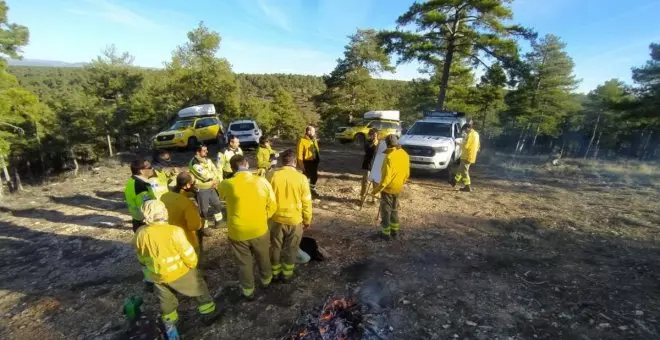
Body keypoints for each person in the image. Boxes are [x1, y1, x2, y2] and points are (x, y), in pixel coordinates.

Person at [134, 200, 221, 338]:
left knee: (166, 301)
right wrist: (193, 265)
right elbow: (187, 253)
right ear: (164, 212)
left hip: (157, 275)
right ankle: (209, 313)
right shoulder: (174, 231)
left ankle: (171, 324)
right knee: (199, 289)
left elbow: (141, 255)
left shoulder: (140, 233)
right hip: (179, 271)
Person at [217, 154, 276, 300]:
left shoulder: (226, 184)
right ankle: (266, 281)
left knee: (244, 263)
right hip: (259, 229)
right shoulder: (262, 181)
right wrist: (264, 217)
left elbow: (221, 198)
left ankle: (248, 291)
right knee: (263, 257)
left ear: (232, 168)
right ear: (247, 164)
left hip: (238, 232)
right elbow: (273, 205)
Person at [267, 149, 312, 282]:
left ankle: (275, 273)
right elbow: (307, 201)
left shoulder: (271, 176)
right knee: (292, 248)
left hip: (275, 218)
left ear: (282, 161)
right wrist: (307, 219)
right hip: (295, 219)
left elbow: (266, 198)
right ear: (295, 162)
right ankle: (287, 275)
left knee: (275, 246)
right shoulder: (302, 178)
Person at [372, 134, 410, 240]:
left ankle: (385, 234)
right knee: (394, 209)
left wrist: (377, 190)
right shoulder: (405, 154)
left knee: (386, 211)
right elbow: (406, 174)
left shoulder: (389, 157)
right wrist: (401, 183)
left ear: (387, 144)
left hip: (388, 189)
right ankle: (395, 232)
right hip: (398, 187)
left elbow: (386, 178)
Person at [160, 171, 203, 255]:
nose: (195, 184)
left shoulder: (164, 196)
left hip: (169, 237)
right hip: (187, 240)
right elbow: (194, 226)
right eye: (193, 183)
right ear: (187, 185)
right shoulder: (187, 203)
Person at [188, 144, 223, 230]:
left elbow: (216, 170)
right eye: (204, 150)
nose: (207, 152)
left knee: (217, 204)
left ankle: (218, 222)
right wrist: (213, 176)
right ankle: (205, 227)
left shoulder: (208, 160)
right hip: (202, 190)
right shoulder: (194, 163)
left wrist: (215, 179)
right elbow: (205, 176)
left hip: (212, 187)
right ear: (197, 152)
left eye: (206, 150)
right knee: (204, 210)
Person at [124, 159, 155, 232]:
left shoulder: (132, 181)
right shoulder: (140, 186)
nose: (152, 169)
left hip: (136, 220)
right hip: (145, 224)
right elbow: (146, 208)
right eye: (149, 167)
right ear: (141, 171)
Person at [452, 119, 480, 192]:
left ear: (468, 128)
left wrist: (460, 144)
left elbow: (466, 146)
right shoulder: (476, 134)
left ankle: (467, 186)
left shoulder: (470, 135)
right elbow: (478, 146)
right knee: (461, 169)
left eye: (464, 130)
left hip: (467, 155)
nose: (465, 132)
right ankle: (454, 181)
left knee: (464, 171)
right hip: (472, 155)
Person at [297, 126, 320, 198]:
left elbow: (316, 149)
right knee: (305, 177)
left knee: (314, 176)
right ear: (308, 132)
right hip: (306, 162)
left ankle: (312, 190)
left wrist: (318, 158)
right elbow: (299, 153)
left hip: (314, 161)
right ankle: (303, 192)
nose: (314, 133)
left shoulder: (314, 139)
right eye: (313, 131)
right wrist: (301, 165)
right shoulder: (302, 140)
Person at [360, 128, 379, 202]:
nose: (374, 137)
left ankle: (374, 199)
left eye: (375, 135)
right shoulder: (367, 143)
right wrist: (373, 143)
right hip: (367, 165)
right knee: (365, 182)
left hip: (376, 166)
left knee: (376, 183)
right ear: (369, 135)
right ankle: (362, 198)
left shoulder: (380, 144)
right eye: (372, 135)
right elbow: (367, 150)